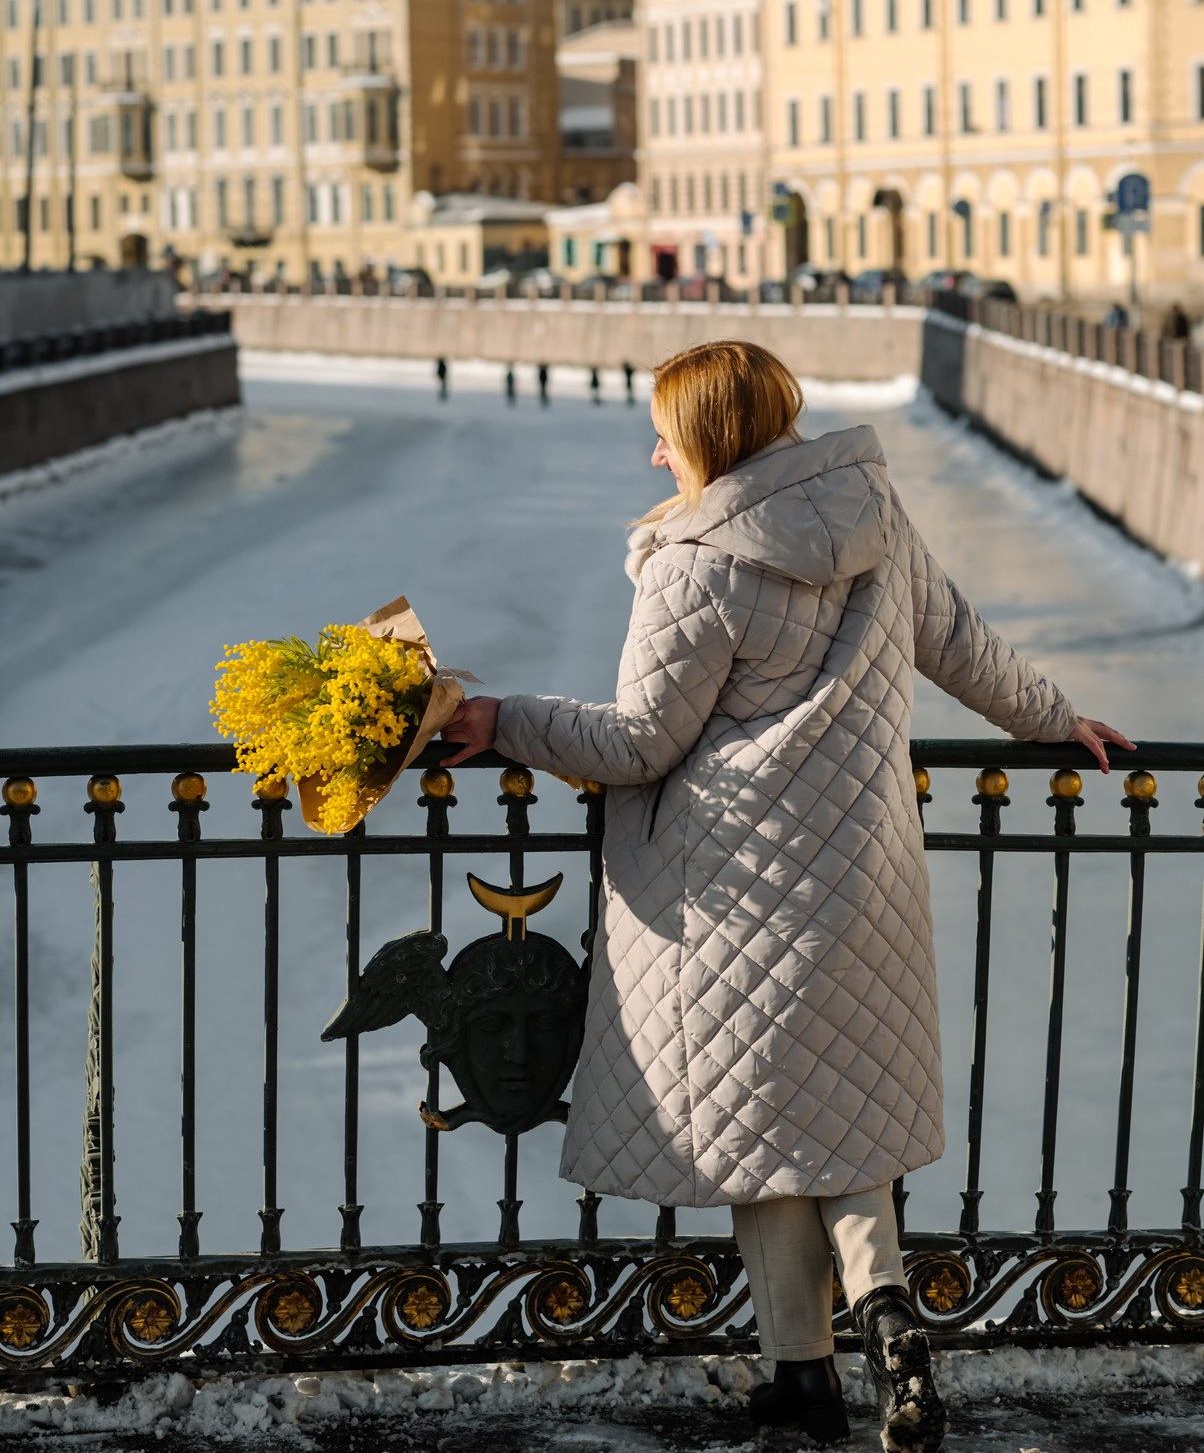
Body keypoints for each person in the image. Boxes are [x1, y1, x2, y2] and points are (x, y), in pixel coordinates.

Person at [442, 341, 1132, 1450]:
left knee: (757, 1129)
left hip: (729, 891)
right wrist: (1055, 719)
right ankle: (864, 1331)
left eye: (665, 429)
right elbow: (956, 639)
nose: (651, 448)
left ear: (710, 439)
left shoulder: (694, 565)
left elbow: (636, 742)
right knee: (833, 1120)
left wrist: (504, 719)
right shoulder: (873, 515)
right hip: (859, 876)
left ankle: (805, 1370)